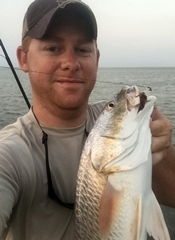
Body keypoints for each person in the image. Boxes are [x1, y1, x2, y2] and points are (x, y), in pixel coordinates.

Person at [0, 0, 174, 239]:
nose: (71, 63)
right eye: (53, 48)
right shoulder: (8, 154)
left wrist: (162, 151)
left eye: (82, 50)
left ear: (97, 58)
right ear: (24, 59)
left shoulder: (115, 118)